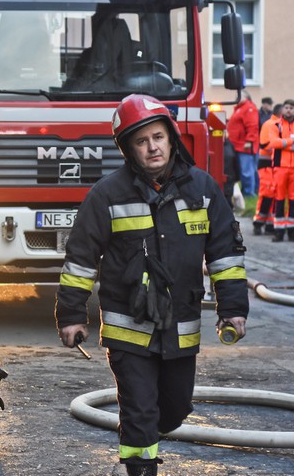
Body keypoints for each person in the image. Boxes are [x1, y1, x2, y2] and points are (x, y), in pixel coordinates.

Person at [55, 94, 249, 476]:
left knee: (174, 409)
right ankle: (140, 468)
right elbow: (79, 260)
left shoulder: (203, 190)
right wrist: (72, 315)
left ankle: (144, 433)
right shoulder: (107, 195)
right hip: (129, 330)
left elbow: (225, 257)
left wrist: (233, 311)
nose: (152, 147)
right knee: (140, 411)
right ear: (129, 150)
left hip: (180, 327)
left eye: (158, 137)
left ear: (172, 138)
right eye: (141, 141)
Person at [266, 99, 294, 242]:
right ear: (282, 110)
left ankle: (291, 231)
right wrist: (291, 141)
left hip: (293, 168)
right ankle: (279, 231)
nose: (288, 110)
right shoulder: (276, 125)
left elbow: (280, 143)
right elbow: (274, 143)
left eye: (291, 108)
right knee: (279, 199)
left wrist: (284, 143)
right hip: (280, 167)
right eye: (286, 107)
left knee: (293, 200)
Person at [254, 103, 281, 235]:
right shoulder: (270, 125)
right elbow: (265, 144)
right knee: (267, 193)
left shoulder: (279, 125)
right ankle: (259, 222)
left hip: (275, 165)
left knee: (274, 193)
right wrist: (283, 144)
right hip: (266, 165)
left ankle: (269, 223)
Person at [227, 90, 259, 196]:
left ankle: (249, 193)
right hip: (239, 144)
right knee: (246, 170)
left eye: (239, 95)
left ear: (246, 97)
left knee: (247, 171)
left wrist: (249, 141)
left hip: (244, 145)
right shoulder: (240, 108)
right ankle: (249, 191)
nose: (237, 97)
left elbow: (252, 126)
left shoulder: (248, 108)